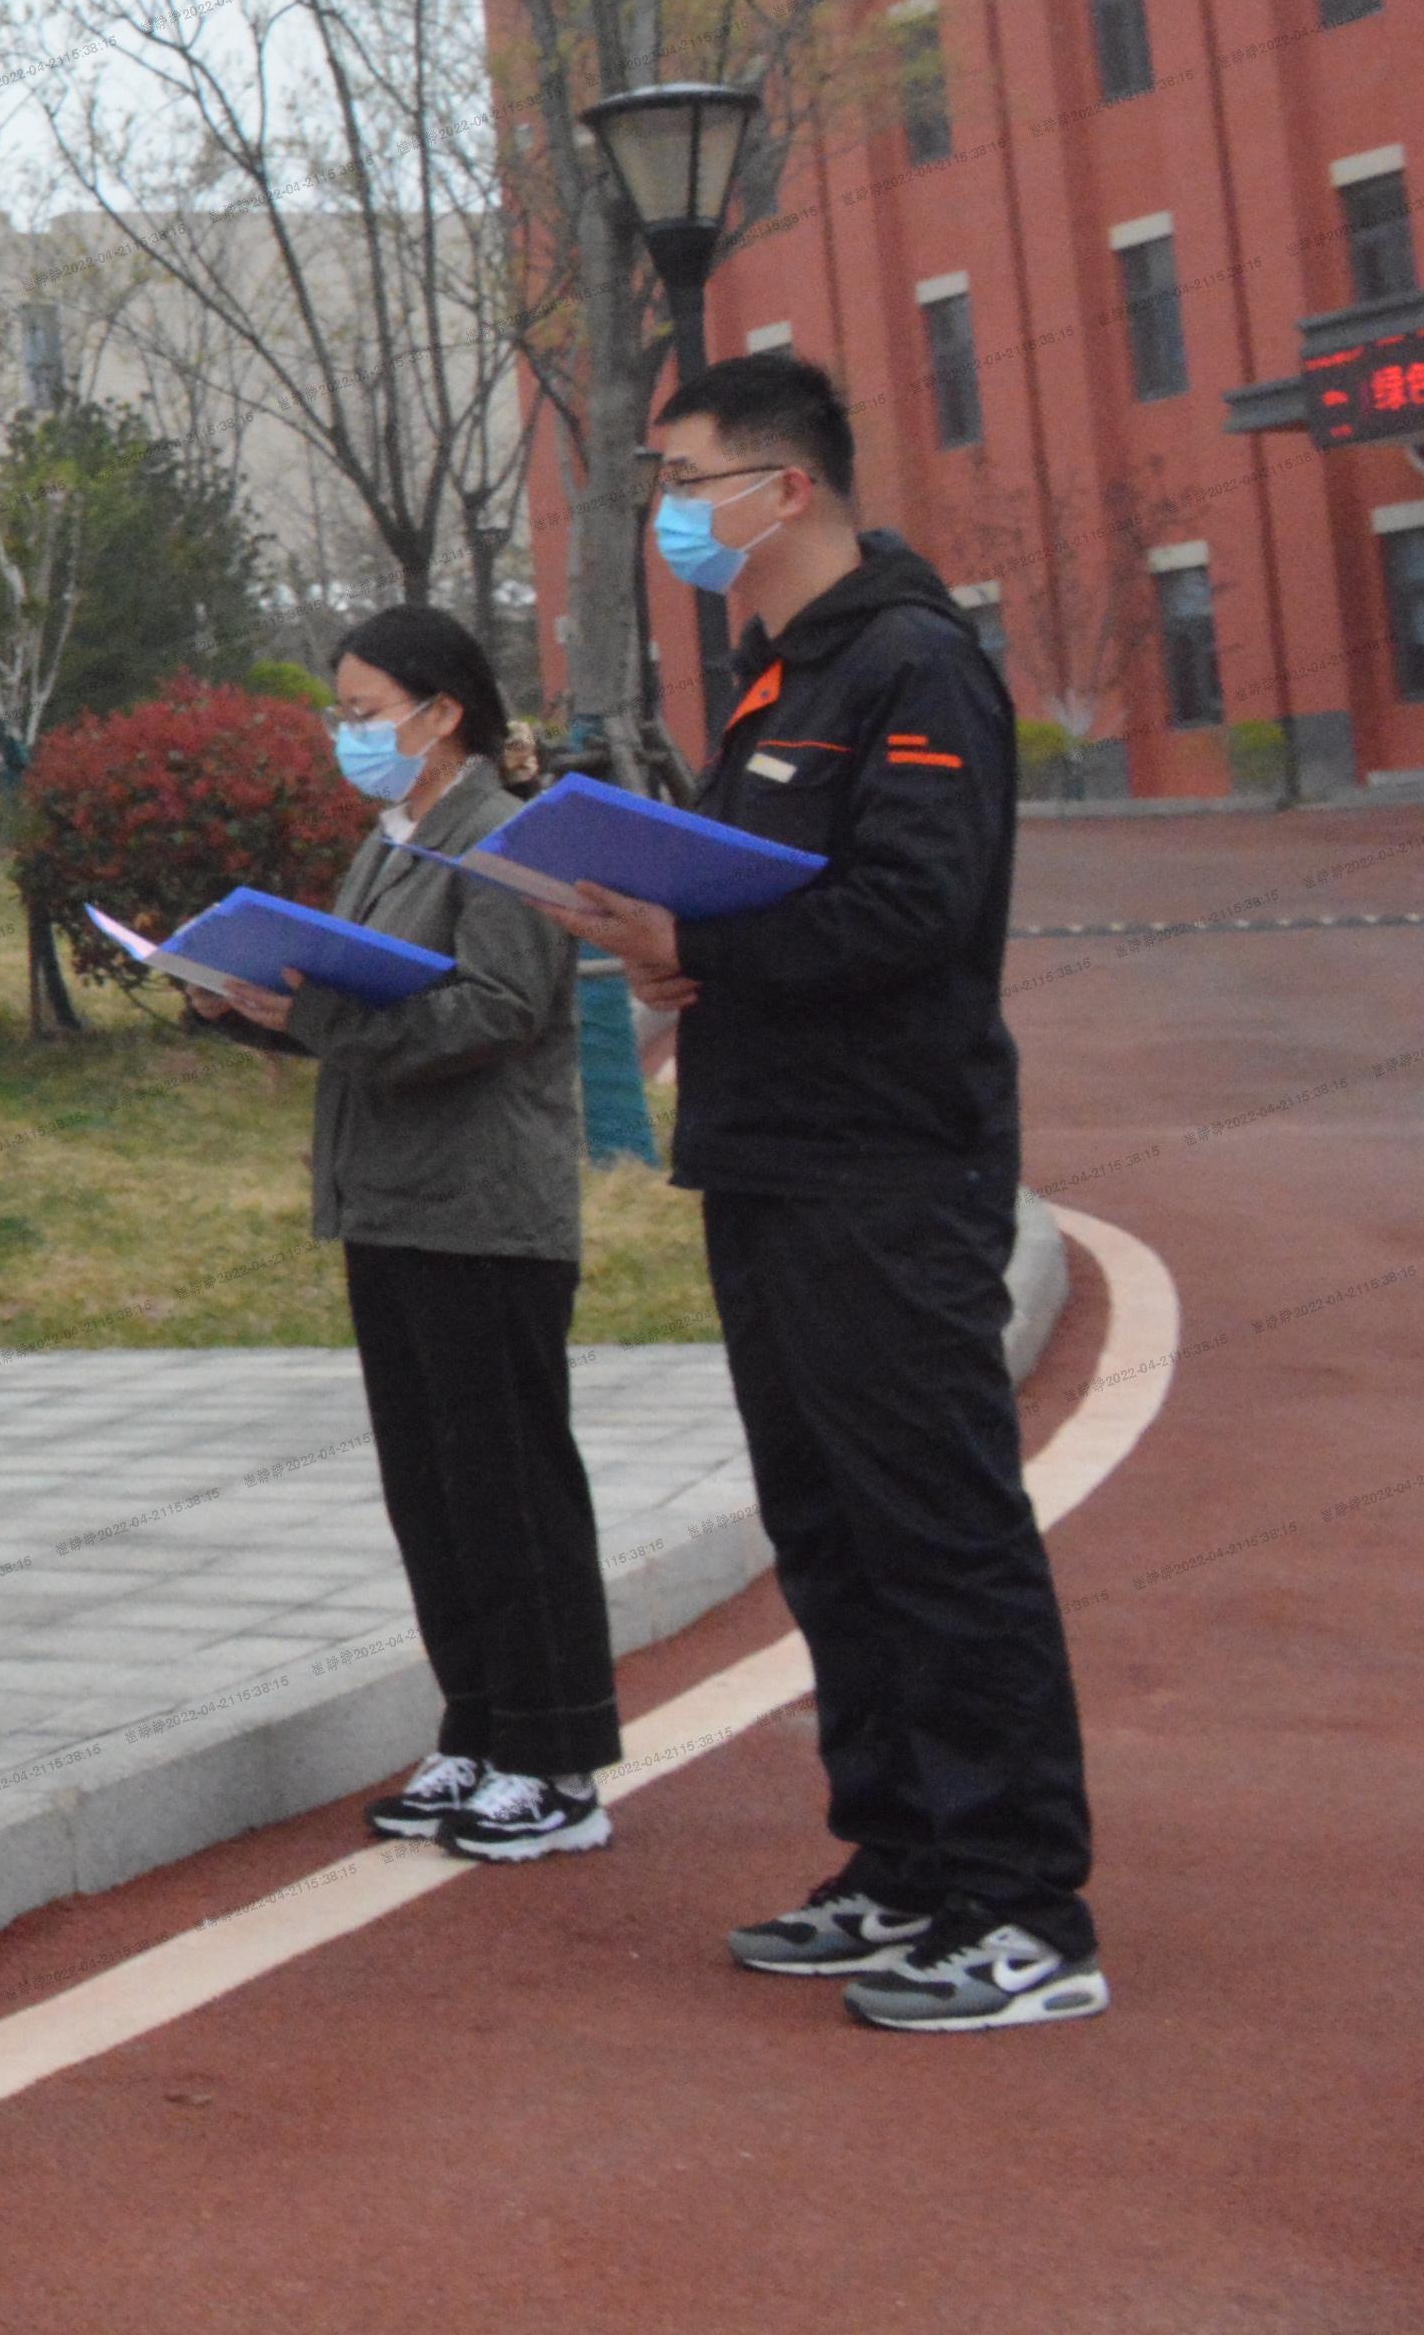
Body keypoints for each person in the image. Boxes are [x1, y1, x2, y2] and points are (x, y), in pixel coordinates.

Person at [528, 349, 1100, 2032]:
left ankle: (1023, 1905)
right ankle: (903, 1860)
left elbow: (915, 913)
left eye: (685, 482)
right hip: (773, 1156)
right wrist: (677, 951)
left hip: (888, 1167)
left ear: (785, 489)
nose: (666, 514)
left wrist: (701, 943)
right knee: (831, 1529)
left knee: (938, 1531)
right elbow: (778, 911)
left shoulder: (912, 663)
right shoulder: (784, 677)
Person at [184, 608, 617, 1863]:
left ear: (445, 712)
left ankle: (555, 1757)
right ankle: (477, 1726)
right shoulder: (393, 840)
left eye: (367, 712)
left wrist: (316, 1016)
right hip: (388, 1202)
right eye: (343, 713)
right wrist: (240, 1000)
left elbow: (496, 1009)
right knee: (432, 1491)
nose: (350, 735)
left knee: (509, 1488)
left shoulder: (508, 838)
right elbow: (346, 998)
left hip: (484, 1212)